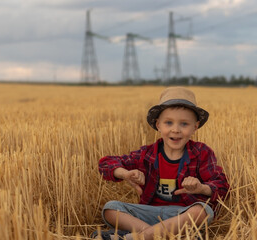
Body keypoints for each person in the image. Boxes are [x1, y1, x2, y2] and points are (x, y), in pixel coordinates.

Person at [94, 87, 229, 240]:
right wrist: (125, 174)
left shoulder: (201, 153)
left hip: (181, 217)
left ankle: (134, 237)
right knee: (110, 209)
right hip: (148, 214)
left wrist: (201, 188)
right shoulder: (147, 154)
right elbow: (105, 164)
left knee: (203, 211)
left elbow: (223, 186)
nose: (176, 130)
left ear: (195, 127)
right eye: (169, 123)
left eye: (184, 124)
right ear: (158, 125)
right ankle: (158, 236)